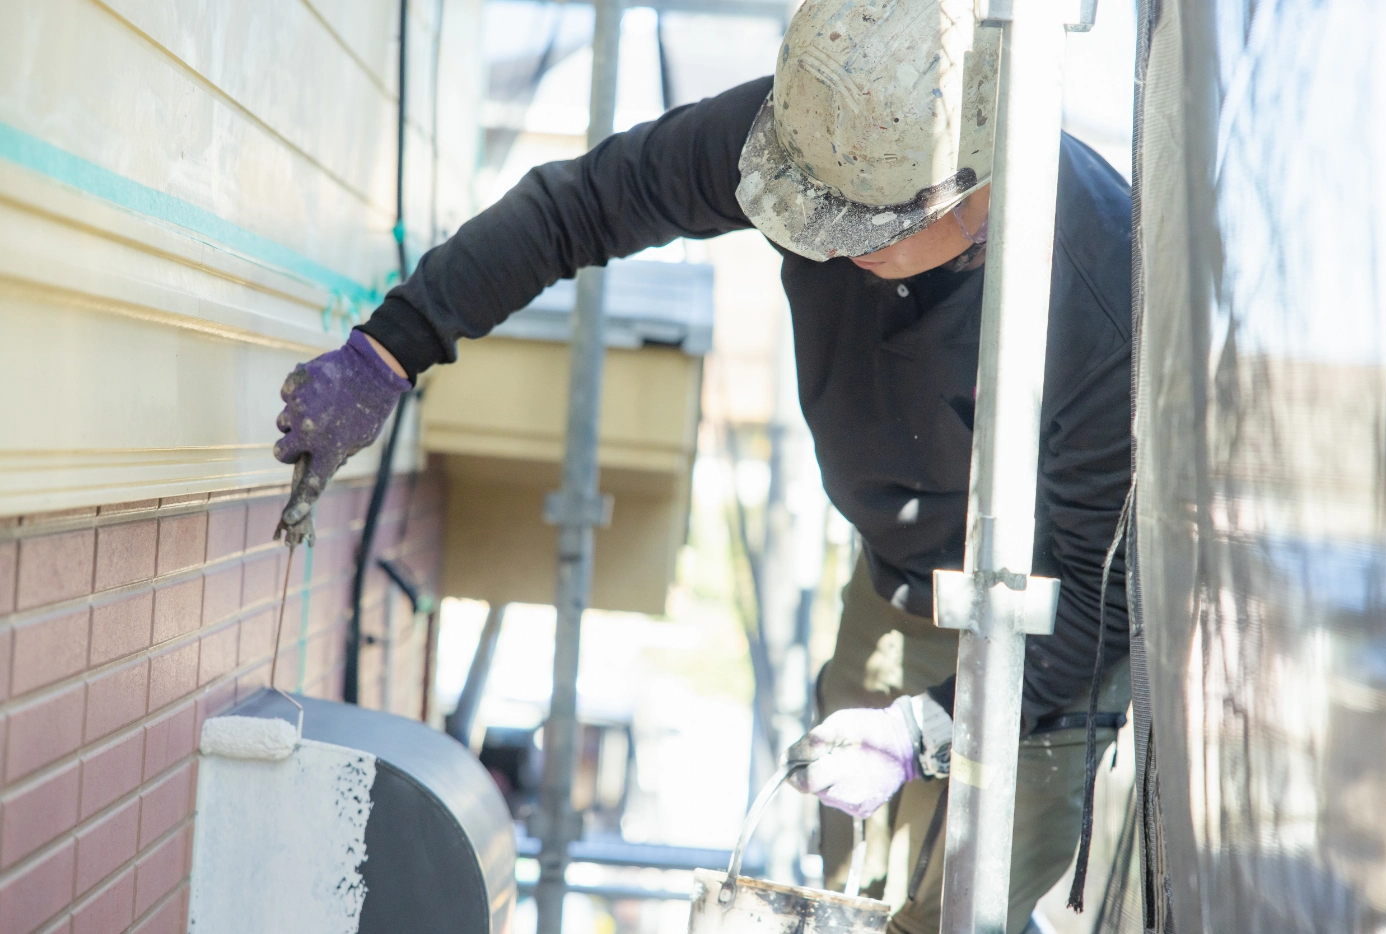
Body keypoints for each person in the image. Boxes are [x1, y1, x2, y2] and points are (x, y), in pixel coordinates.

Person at [272, 1, 1131, 930]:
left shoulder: (1099, 289)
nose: (824, 247)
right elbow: (584, 205)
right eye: (812, 225)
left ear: (968, 194)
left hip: (1051, 646)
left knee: (959, 917)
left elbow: (1099, 599)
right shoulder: (822, 127)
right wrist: (393, 349)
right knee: (845, 899)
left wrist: (926, 725)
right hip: (899, 582)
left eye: (859, 236)